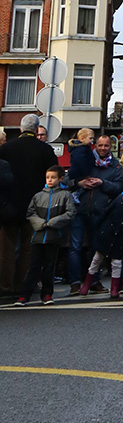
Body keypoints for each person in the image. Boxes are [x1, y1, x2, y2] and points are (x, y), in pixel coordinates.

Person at [0, 114, 59, 296]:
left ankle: (5, 285)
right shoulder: (46, 150)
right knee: (28, 249)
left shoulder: (6, 149)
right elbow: (54, 178)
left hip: (8, 205)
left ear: (20, 129)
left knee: (6, 248)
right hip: (35, 206)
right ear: (36, 129)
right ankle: (22, 285)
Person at [66, 131, 123, 295]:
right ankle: (75, 282)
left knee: (96, 248)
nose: (103, 148)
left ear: (110, 147)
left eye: (106, 146)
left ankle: (94, 281)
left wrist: (102, 183)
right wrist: (79, 183)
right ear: (95, 146)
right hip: (80, 208)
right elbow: (68, 180)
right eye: (100, 145)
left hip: (100, 211)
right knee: (75, 247)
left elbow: (118, 188)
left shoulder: (115, 165)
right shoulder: (86, 159)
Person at [15, 165, 75, 305]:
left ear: (60, 179)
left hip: (54, 236)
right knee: (34, 266)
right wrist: (41, 223)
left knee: (49, 267)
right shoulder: (38, 196)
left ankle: (47, 294)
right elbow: (30, 213)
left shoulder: (65, 195)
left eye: (53, 177)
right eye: (48, 177)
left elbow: (70, 213)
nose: (50, 180)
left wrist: (53, 222)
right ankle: (25, 294)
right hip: (38, 236)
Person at [80, 180, 123, 299]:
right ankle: (87, 283)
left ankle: (115, 288)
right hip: (107, 234)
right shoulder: (120, 200)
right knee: (97, 259)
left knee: (116, 263)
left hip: (121, 238)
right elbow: (106, 212)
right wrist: (98, 228)